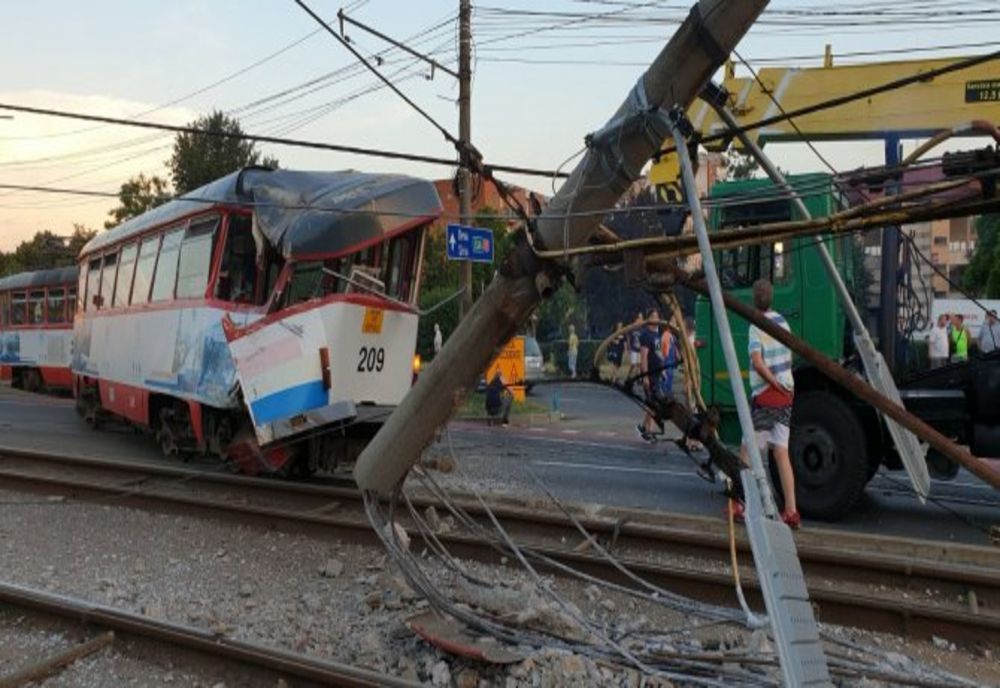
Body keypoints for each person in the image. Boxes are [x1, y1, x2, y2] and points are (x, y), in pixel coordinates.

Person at [738, 279, 800, 529]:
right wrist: (782, 382)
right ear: (772, 298)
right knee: (781, 452)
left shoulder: (756, 326)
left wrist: (772, 382)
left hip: (767, 396)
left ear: (754, 299)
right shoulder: (783, 322)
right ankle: (791, 510)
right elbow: (789, 355)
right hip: (787, 395)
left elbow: (756, 362)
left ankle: (740, 503)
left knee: (747, 450)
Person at [636, 309, 667, 442]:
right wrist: (645, 376)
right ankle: (644, 428)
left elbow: (659, 355)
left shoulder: (657, 334)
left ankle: (648, 430)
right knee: (653, 404)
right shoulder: (646, 335)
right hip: (650, 375)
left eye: (657, 316)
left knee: (653, 404)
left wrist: (663, 370)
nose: (656, 319)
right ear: (649, 319)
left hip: (657, 373)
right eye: (653, 317)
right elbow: (644, 357)